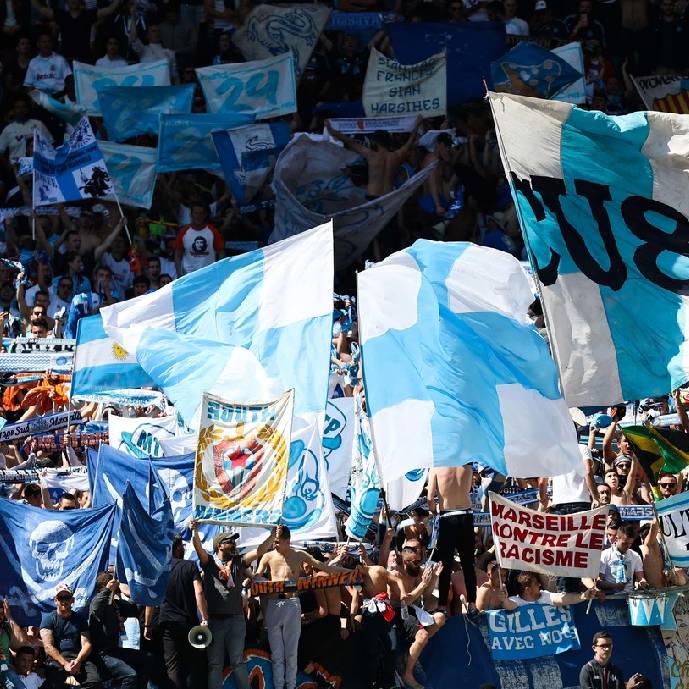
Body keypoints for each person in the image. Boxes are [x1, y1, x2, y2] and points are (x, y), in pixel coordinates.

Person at [254, 525, 350, 689]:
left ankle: (290, 686)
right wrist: (255, 581)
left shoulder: (298, 555)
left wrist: (352, 571)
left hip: (292, 604)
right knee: (277, 653)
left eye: (279, 541)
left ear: (288, 541)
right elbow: (257, 576)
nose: (276, 544)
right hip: (275, 605)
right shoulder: (268, 556)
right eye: (274, 542)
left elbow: (324, 567)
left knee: (292, 653)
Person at [189, 522, 274, 689]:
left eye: (233, 541)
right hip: (215, 621)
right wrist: (194, 530)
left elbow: (259, 551)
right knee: (215, 666)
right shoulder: (209, 562)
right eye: (229, 541)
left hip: (236, 620)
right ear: (220, 545)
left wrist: (272, 535)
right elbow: (198, 547)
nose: (233, 544)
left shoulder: (238, 561)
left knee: (238, 662)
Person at [147, 535, 209, 689]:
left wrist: (147, 625)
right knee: (193, 665)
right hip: (188, 624)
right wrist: (205, 618)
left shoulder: (159, 570)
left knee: (173, 666)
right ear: (176, 548)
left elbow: (151, 600)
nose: (184, 548)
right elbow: (199, 592)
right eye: (182, 545)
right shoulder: (190, 566)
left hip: (167, 623)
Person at [326, 117, 421, 199]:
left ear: (375, 142)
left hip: (373, 197)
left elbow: (350, 142)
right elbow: (409, 143)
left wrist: (332, 131)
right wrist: (417, 125)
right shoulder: (396, 156)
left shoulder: (371, 155)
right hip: (389, 198)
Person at [427, 466, 478, 618]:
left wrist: (436, 511)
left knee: (445, 564)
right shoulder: (467, 467)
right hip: (466, 515)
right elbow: (468, 489)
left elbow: (430, 499)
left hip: (447, 516)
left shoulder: (436, 469)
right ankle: (472, 604)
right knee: (468, 564)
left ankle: (442, 605)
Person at [88, 572, 143, 689]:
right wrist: (108, 590)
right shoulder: (98, 601)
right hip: (103, 654)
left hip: (115, 650)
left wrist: (132, 591)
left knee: (145, 660)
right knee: (130, 675)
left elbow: (135, 609)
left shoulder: (115, 603)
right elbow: (96, 608)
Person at [40, 583, 101, 688]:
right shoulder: (48, 620)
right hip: (57, 659)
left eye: (67, 597)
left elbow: (87, 644)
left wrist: (78, 661)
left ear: (72, 600)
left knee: (94, 681)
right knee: (54, 681)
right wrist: (65, 664)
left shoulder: (80, 620)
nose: (64, 601)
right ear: (55, 600)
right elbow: (48, 647)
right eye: (61, 597)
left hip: (78, 658)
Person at [502, 571, 600, 610]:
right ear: (527, 590)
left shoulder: (545, 596)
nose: (540, 585)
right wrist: (504, 599)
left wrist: (583, 596)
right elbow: (509, 605)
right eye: (536, 583)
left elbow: (564, 599)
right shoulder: (516, 600)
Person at [594, 524, 649, 593]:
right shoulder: (605, 554)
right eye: (624, 543)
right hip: (611, 597)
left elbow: (641, 578)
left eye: (630, 544)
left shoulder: (635, 556)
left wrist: (642, 583)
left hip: (629, 596)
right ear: (616, 539)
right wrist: (614, 586)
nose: (627, 546)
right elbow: (598, 582)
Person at [174, 205, 224, 276]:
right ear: (191, 215)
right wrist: (179, 275)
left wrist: (218, 270)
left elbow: (221, 253)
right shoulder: (183, 232)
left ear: (205, 215)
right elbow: (177, 255)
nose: (198, 216)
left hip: (209, 275)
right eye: (196, 213)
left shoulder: (213, 231)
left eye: (201, 213)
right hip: (188, 276)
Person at [0, 97, 52, 164]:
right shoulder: (8, 129)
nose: (21, 110)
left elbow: (50, 145)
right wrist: (9, 167)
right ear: (13, 110)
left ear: (27, 109)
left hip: (38, 166)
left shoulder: (38, 124)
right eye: (18, 107)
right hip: (17, 168)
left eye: (23, 107)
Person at [23, 33, 72, 97]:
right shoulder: (33, 62)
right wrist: (35, 99)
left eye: (49, 42)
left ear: (52, 44)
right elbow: (28, 84)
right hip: (40, 97)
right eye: (43, 42)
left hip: (58, 96)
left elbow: (69, 79)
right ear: (38, 44)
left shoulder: (60, 60)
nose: (46, 44)